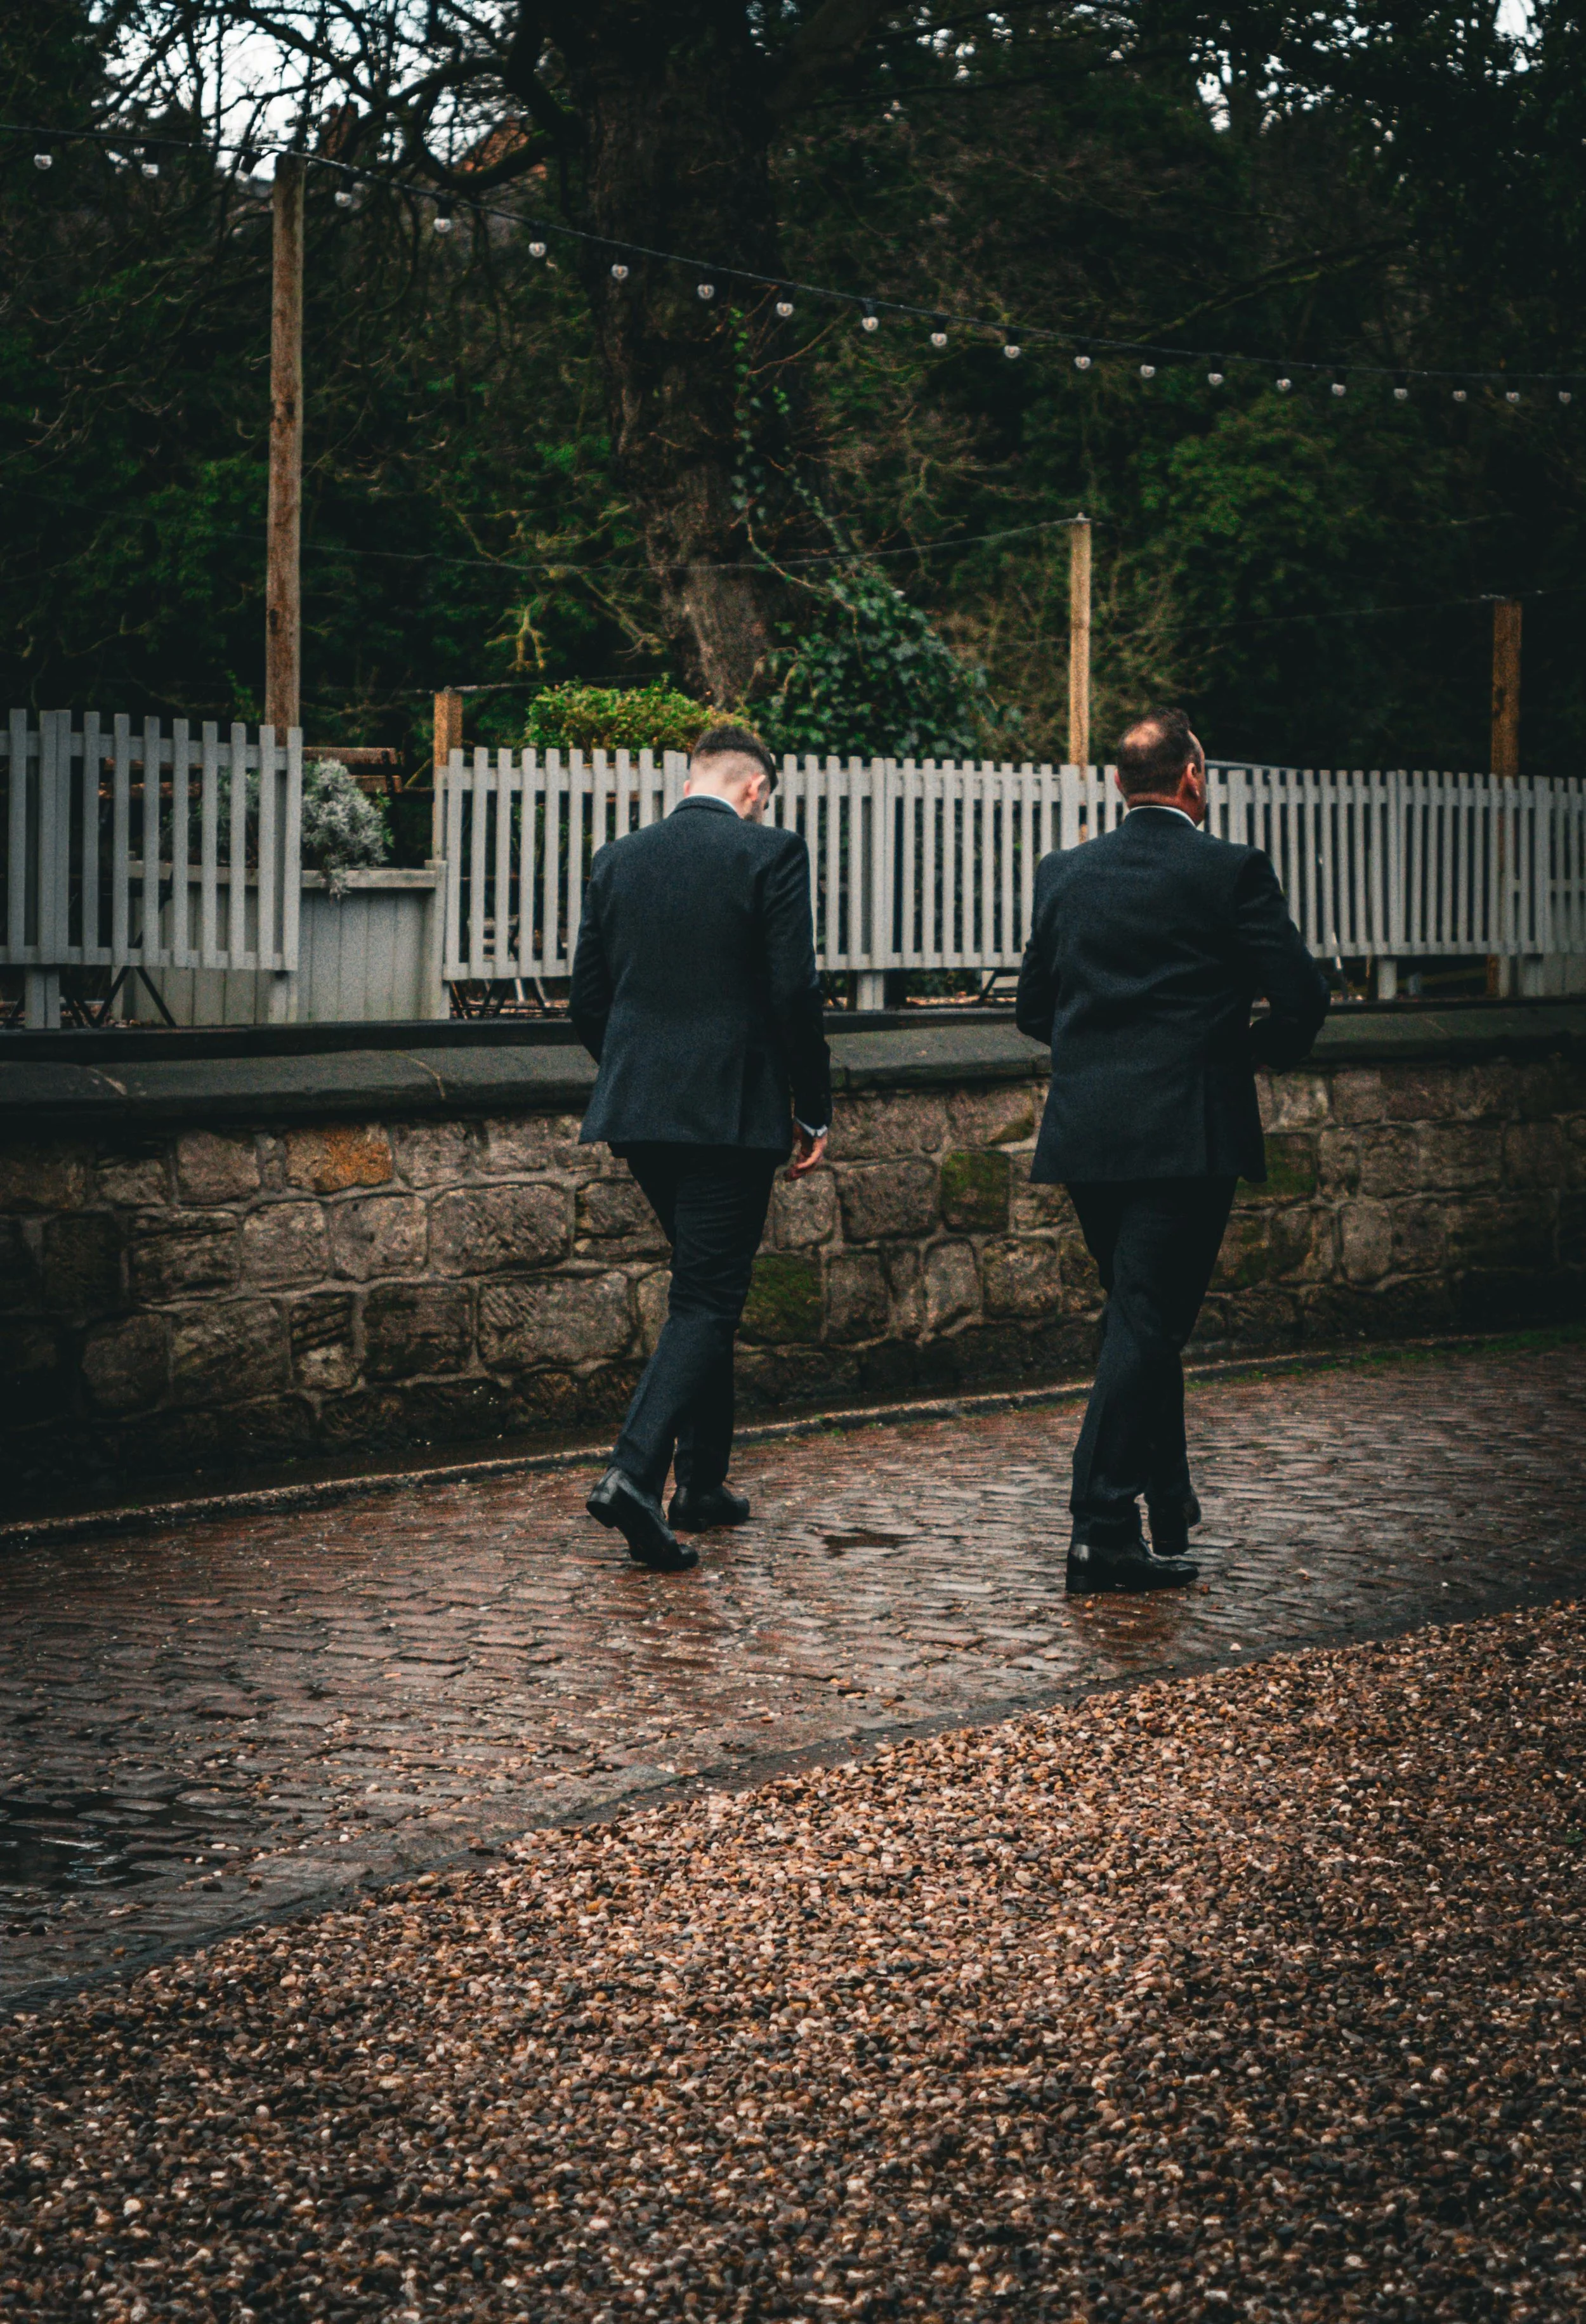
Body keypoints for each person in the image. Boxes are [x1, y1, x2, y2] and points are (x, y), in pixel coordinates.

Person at [1015, 708, 1330, 1594]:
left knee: (1138, 1318)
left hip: (1087, 1132)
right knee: (1147, 1321)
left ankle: (1168, 1501)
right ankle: (1101, 1525)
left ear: (1120, 784)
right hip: (1188, 1131)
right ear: (1194, 778)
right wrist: (1249, 1052)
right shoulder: (1230, 869)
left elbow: (1034, 1011)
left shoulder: (1065, 872)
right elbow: (1301, 1000)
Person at [570, 723, 830, 1574]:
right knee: (709, 1298)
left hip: (640, 1110)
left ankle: (703, 1484)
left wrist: (637, 1072)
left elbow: (587, 999)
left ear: (693, 779)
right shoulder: (771, 853)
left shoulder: (617, 859)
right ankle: (635, 1475)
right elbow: (794, 989)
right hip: (730, 1111)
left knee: (703, 1280)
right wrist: (814, 1111)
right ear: (757, 787)